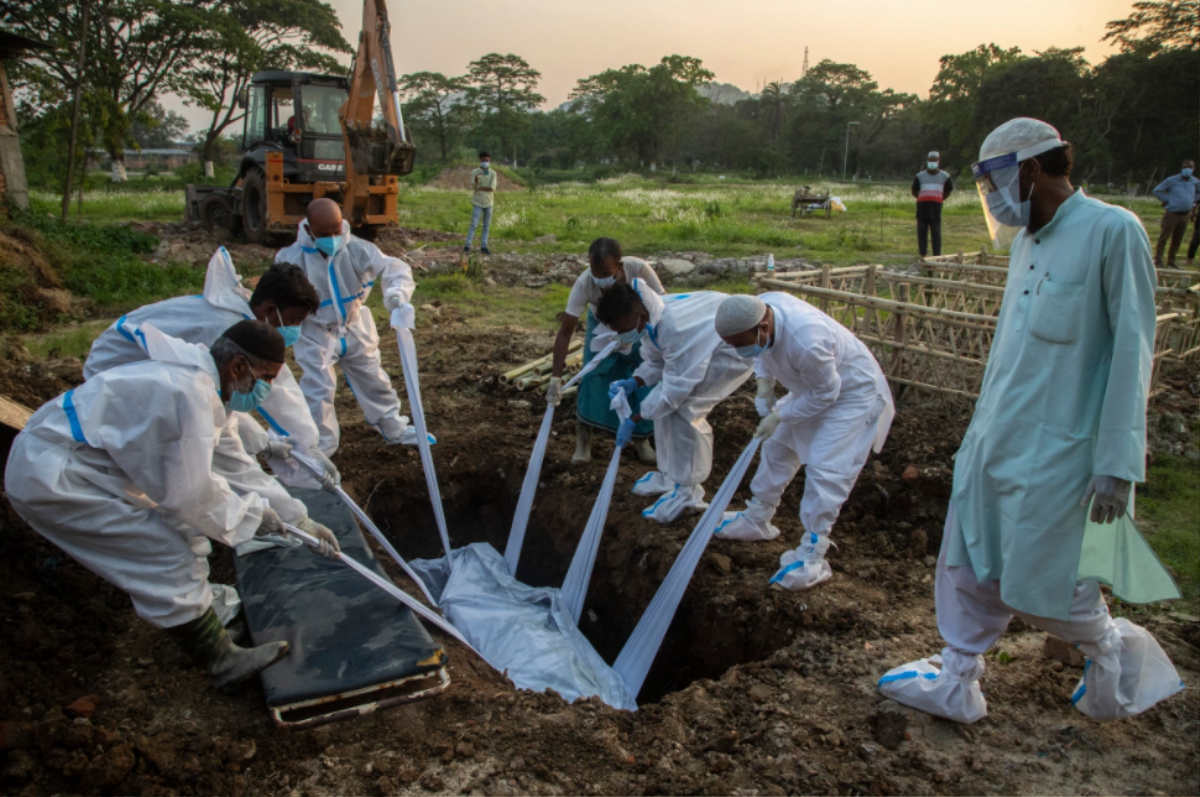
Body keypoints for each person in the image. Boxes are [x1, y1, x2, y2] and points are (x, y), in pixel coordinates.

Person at [878, 117, 1182, 724]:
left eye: (992, 184)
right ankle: (958, 677)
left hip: (1059, 452)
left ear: (1029, 171)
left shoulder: (1111, 231)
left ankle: (1112, 656)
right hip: (997, 436)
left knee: (1048, 577)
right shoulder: (1027, 242)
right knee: (965, 556)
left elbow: (1132, 351)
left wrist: (1117, 463)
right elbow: (1011, 352)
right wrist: (976, 436)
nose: (991, 200)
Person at [5, 321, 341, 692]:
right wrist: (253, 516)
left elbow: (235, 467)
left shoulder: (205, 386)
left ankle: (202, 623)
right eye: (265, 377)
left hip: (87, 468)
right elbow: (190, 492)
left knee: (182, 533)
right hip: (56, 478)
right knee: (162, 551)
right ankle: (219, 659)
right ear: (239, 366)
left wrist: (299, 518)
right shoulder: (187, 396)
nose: (266, 389)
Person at [85, 248, 336, 490]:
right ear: (270, 310)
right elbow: (275, 393)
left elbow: (240, 408)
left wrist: (270, 445)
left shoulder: (243, 316)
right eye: (293, 320)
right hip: (117, 369)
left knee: (210, 420)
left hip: (142, 365)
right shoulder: (225, 330)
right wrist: (306, 444)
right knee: (179, 450)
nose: (295, 329)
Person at [712, 294, 893, 590]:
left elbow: (827, 394)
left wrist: (779, 415)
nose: (739, 351)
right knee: (777, 445)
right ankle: (759, 516)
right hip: (813, 387)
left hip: (852, 394)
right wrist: (764, 382)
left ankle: (813, 553)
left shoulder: (807, 341)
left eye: (740, 344)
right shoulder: (755, 310)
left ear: (765, 326)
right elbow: (760, 352)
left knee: (826, 468)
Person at [277, 197, 427, 456]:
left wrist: (396, 294)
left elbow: (393, 267)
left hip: (355, 325)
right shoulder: (291, 258)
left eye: (337, 231)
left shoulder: (356, 249)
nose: (333, 239)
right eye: (325, 234)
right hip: (315, 330)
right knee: (318, 389)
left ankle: (394, 429)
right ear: (309, 230)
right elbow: (278, 293)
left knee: (374, 378)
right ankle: (322, 447)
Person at [599, 282, 753, 523]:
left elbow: (674, 392)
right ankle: (669, 473)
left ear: (638, 316)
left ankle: (689, 491)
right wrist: (634, 381)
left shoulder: (674, 327)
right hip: (695, 348)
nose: (621, 335)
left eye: (622, 328)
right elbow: (657, 360)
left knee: (687, 408)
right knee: (665, 408)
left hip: (729, 349)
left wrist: (634, 419)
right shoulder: (650, 317)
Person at [546, 238, 662, 465]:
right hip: (601, 324)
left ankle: (641, 439)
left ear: (619, 266)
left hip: (636, 323)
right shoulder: (584, 285)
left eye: (606, 272)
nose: (599, 278)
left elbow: (663, 303)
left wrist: (651, 337)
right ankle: (584, 440)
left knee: (643, 376)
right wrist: (555, 379)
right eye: (594, 271)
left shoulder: (638, 270)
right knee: (592, 375)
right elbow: (564, 332)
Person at [1152, 160, 1199, 267]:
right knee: (1164, 238)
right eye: (1185, 168)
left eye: (1190, 168)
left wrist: (1193, 201)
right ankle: (1158, 260)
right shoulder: (1172, 180)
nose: (1187, 170)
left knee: (1177, 239)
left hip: (1185, 214)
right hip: (1172, 213)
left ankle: (1171, 261)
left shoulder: (1195, 181)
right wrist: (1167, 200)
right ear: (1181, 169)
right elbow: (1157, 190)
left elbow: (1198, 192)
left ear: (1193, 169)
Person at [911, 151, 953, 257]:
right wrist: (923, 198)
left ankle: (936, 256)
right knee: (922, 233)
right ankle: (923, 255)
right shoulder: (920, 176)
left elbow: (947, 191)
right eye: (930, 160)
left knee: (936, 234)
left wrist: (938, 199)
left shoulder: (945, 177)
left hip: (936, 209)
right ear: (927, 161)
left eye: (935, 160)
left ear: (938, 161)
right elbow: (914, 191)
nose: (932, 162)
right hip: (922, 209)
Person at [464, 152, 496, 255]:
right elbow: (474, 186)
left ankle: (483, 246)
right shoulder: (475, 172)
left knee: (486, 225)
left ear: (489, 160)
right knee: (474, 223)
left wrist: (480, 187)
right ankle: (467, 245)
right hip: (477, 201)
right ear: (480, 161)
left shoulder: (493, 173)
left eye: (487, 160)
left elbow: (492, 188)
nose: (485, 162)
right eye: (483, 160)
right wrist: (477, 184)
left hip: (489, 201)